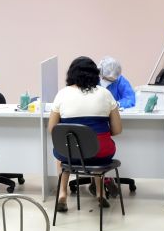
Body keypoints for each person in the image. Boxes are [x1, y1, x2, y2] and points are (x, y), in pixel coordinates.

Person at [49, 56, 122, 212]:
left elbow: (52, 130)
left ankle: (62, 194)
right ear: (95, 74)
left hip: (70, 155)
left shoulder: (62, 94)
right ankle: (100, 193)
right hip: (101, 153)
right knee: (96, 147)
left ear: (71, 74)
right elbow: (117, 130)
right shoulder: (105, 94)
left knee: (63, 152)